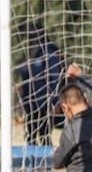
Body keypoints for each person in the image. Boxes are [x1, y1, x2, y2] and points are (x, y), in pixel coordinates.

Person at [15, 21, 63, 149]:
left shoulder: (49, 51)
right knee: (30, 136)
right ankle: (32, 167)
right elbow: (29, 73)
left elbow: (55, 76)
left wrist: (55, 101)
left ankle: (48, 165)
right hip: (30, 103)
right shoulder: (31, 51)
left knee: (44, 136)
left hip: (43, 103)